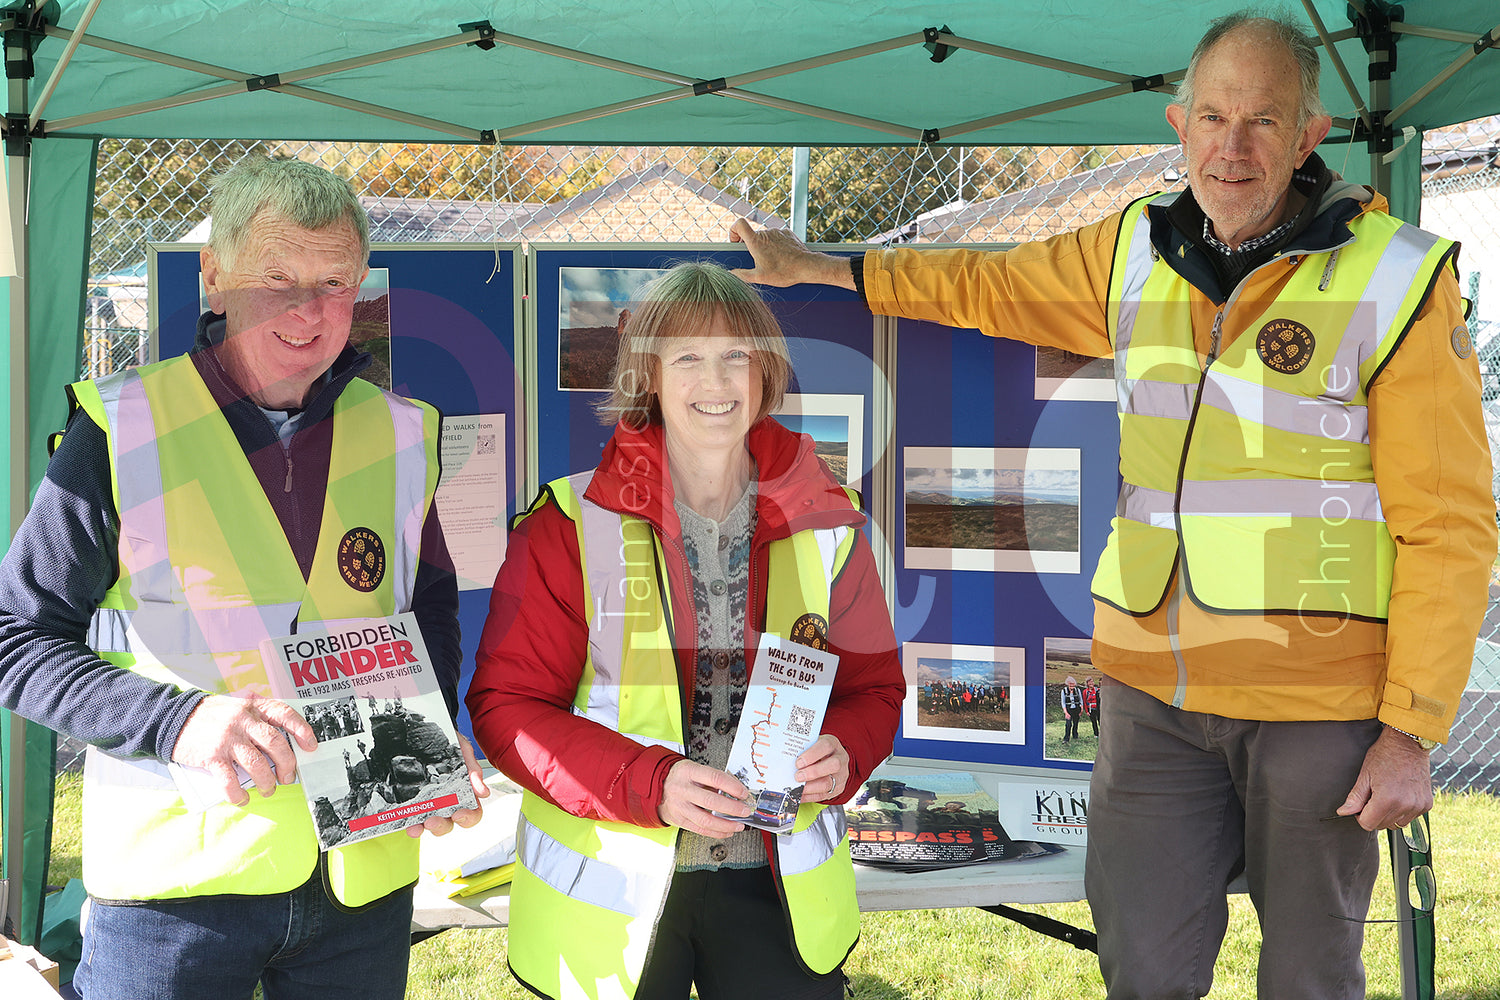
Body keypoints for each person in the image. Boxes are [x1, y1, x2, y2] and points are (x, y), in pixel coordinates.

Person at [727, 12, 1495, 998]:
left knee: (1309, 975)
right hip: (1150, 700)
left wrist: (1410, 729)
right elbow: (990, 285)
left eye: (1263, 119)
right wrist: (823, 265)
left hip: (1316, 708)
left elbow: (1450, 522)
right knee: (1142, 969)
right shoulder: (1136, 247)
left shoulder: (1397, 278)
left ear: (1311, 134)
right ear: (1180, 123)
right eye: (1214, 116)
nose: (1233, 144)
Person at [0, 154, 486, 1000]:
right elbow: (15, 635)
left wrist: (428, 744)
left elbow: (429, 618)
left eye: (336, 280)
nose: (308, 308)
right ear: (214, 276)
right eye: (277, 274)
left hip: (361, 878)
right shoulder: (118, 428)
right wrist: (176, 720)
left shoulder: (405, 433)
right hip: (178, 884)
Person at [468, 262, 904, 1000]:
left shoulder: (830, 518)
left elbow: (876, 690)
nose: (717, 380)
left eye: (737, 355)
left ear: (765, 374)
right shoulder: (565, 526)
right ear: (650, 376)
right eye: (689, 357)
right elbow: (506, 708)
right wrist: (653, 784)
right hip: (619, 903)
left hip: (779, 891)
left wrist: (847, 751)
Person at [1059, 675, 1083, 742]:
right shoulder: (1064, 691)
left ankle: (1075, 736)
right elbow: (1063, 703)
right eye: (1070, 685)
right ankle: (1066, 739)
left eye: (1073, 685)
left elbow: (1081, 700)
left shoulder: (1077, 690)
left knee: (1076, 723)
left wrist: (1081, 709)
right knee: (1068, 724)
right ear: (1068, 684)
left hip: (1076, 709)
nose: (1072, 687)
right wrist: (1066, 713)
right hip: (1069, 710)